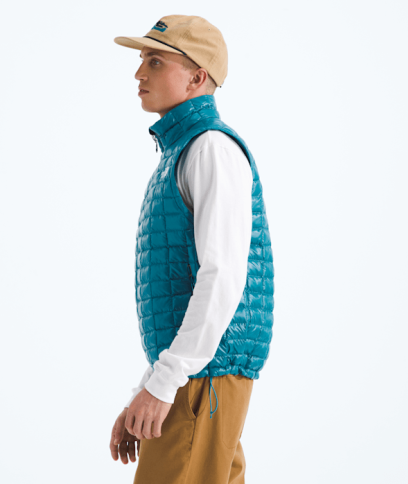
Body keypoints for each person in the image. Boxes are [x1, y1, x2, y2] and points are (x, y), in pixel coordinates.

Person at [109, 14, 275, 484]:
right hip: (199, 376)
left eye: (155, 61)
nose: (138, 73)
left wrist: (165, 384)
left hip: (204, 378)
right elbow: (184, 289)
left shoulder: (210, 149)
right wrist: (148, 386)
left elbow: (221, 277)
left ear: (197, 77)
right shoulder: (183, 152)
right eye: (142, 59)